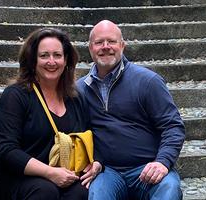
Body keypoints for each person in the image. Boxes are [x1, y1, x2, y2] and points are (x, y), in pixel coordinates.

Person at [78, 20, 185, 200]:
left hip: (147, 167)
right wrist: (95, 160)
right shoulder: (80, 90)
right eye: (99, 42)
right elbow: (79, 131)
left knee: (169, 189)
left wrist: (162, 162)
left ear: (122, 45)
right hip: (107, 171)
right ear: (90, 48)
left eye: (111, 41)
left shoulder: (148, 82)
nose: (106, 47)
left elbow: (172, 126)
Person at [0, 28, 90, 200]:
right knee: (45, 191)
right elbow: (7, 150)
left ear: (66, 60)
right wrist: (50, 173)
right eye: (44, 55)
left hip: (64, 174)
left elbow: (90, 135)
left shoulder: (75, 98)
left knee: (82, 191)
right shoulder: (15, 96)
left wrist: (96, 164)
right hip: (17, 176)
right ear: (32, 60)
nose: (51, 61)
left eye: (57, 55)